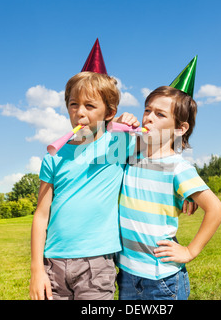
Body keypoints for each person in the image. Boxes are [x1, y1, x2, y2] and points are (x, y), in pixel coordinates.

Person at [29, 40, 140, 300]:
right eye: (73, 104)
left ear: (109, 112)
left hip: (96, 264)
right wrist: (37, 270)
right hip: (53, 263)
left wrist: (128, 124)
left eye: (90, 106)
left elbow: (166, 150)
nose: (80, 113)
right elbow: (40, 216)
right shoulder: (54, 156)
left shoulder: (117, 145)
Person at [116, 58, 221, 300]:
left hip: (162, 280)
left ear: (180, 128)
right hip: (126, 275)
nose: (148, 118)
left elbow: (216, 210)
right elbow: (96, 143)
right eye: (147, 110)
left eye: (159, 114)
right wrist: (119, 123)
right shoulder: (130, 155)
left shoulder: (178, 167)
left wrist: (190, 251)